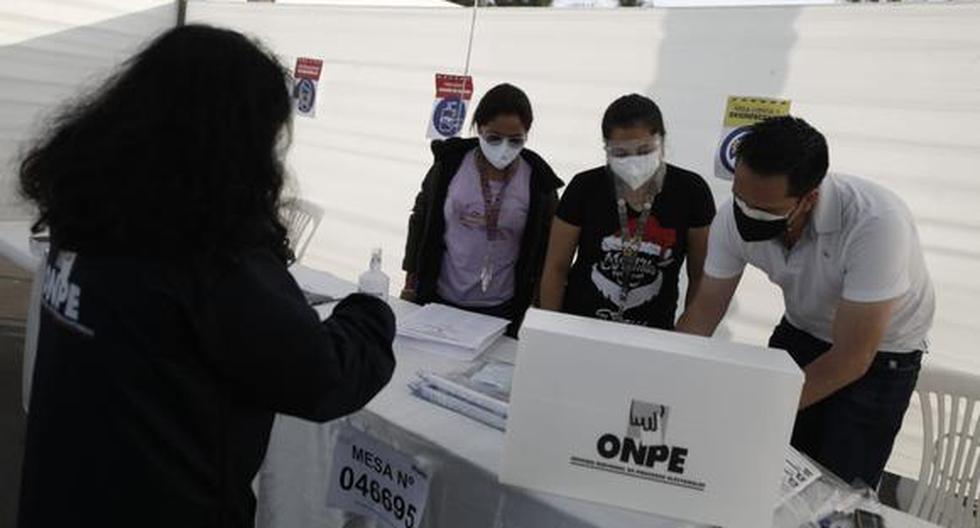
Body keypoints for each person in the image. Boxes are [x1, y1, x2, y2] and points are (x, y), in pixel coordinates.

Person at [17, 26, 396, 527]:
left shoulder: (89, 212)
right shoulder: (210, 256)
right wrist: (368, 313)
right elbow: (320, 376)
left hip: (66, 495)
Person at [677, 116, 935, 488]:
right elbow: (703, 313)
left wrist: (761, 408)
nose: (747, 213)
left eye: (764, 209)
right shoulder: (732, 219)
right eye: (740, 197)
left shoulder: (875, 223)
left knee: (839, 487)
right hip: (801, 331)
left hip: (883, 354)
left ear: (809, 198)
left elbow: (852, 357)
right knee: (768, 467)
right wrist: (665, 372)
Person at [540, 94, 716, 329]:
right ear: (606, 149)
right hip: (580, 325)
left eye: (644, 151)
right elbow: (555, 267)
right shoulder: (585, 186)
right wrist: (550, 327)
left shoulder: (691, 191)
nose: (634, 161)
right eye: (621, 154)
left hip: (653, 330)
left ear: (662, 141)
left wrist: (688, 337)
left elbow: (701, 276)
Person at [401, 83, 563, 335]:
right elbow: (421, 220)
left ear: (527, 135)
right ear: (479, 129)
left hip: (501, 308)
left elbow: (547, 248)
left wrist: (537, 305)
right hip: (441, 297)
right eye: (494, 138)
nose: (503, 148)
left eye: (515, 140)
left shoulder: (538, 183)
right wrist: (411, 280)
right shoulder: (450, 165)